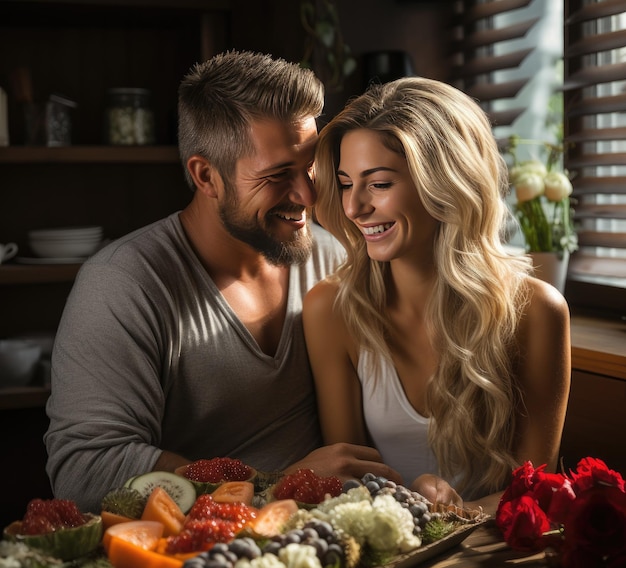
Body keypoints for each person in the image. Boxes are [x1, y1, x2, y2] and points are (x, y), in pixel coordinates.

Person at [44, 51, 401, 513]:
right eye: (277, 176)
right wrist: (273, 486)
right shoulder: (122, 285)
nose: (308, 196)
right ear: (206, 176)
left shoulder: (335, 257)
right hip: (202, 561)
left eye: (311, 167)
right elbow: (86, 470)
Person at [303, 77, 571, 515]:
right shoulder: (330, 310)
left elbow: (534, 492)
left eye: (380, 183)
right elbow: (347, 480)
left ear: (446, 183)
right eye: (347, 183)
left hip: (490, 561)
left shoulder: (537, 311)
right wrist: (416, 509)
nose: (354, 208)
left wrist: (453, 513)